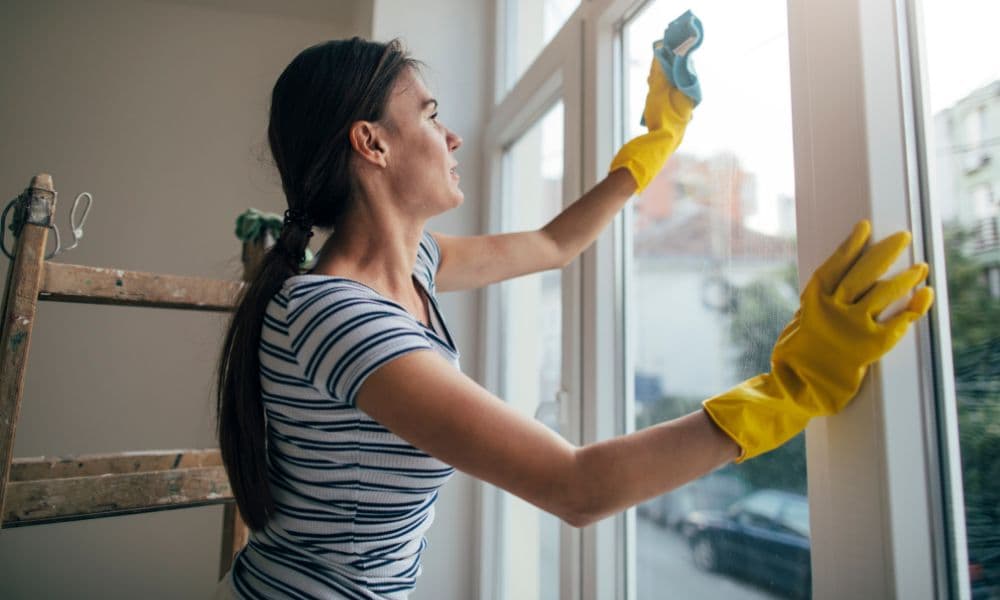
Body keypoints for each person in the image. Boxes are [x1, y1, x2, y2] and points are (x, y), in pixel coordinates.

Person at [214, 37, 933, 599]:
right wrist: (791, 389)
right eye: (431, 115)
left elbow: (555, 244)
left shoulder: (414, 266)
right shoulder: (341, 319)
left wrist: (654, 144)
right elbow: (578, 486)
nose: (453, 136)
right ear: (372, 143)